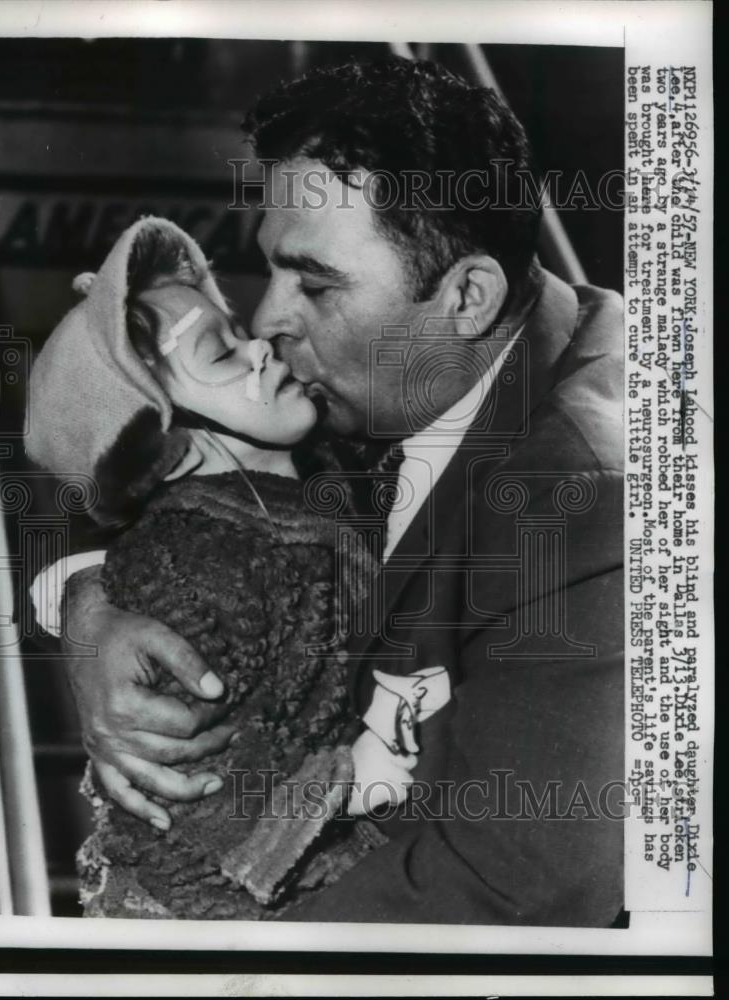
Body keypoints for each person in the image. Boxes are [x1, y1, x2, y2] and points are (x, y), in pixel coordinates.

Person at [34, 55, 624, 925]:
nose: (269, 320)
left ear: (466, 296)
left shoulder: (590, 499)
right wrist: (89, 607)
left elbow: (518, 884)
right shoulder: (403, 375)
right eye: (270, 270)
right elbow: (220, 513)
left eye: (314, 284)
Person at [25, 215, 391, 918]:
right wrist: (350, 788)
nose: (261, 347)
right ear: (170, 450)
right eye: (223, 356)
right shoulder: (197, 559)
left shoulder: (316, 497)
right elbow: (177, 792)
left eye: (235, 333)